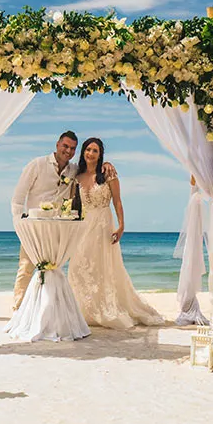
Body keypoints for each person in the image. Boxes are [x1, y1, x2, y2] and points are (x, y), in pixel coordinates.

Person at [11, 131, 115, 310]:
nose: (68, 150)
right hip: (35, 227)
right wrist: (21, 226)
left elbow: (90, 170)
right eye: (65, 146)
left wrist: (105, 163)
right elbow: (18, 199)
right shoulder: (37, 165)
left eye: (73, 148)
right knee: (26, 268)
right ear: (57, 144)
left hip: (58, 229)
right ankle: (18, 309)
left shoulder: (73, 170)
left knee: (54, 270)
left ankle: (48, 310)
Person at [68, 138, 164, 329]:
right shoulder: (77, 177)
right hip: (83, 226)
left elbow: (117, 202)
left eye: (95, 151)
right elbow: (73, 205)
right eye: (88, 149)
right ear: (83, 152)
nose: (91, 154)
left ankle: (105, 308)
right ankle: (82, 310)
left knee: (103, 267)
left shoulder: (108, 174)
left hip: (103, 224)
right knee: (78, 266)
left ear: (100, 154)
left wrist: (121, 225)